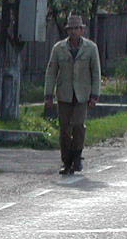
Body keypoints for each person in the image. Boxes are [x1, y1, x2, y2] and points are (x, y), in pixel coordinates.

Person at [43, 13, 102, 175]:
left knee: (78, 126)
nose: (74, 32)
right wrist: (48, 95)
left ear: (82, 30)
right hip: (64, 94)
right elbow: (51, 72)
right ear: (67, 31)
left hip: (82, 94)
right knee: (64, 129)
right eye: (71, 29)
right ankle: (66, 161)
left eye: (77, 28)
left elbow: (96, 73)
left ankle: (77, 156)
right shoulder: (59, 48)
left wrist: (95, 95)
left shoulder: (91, 48)